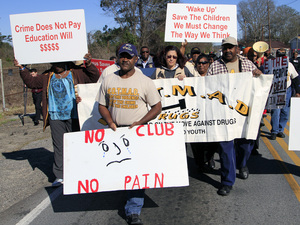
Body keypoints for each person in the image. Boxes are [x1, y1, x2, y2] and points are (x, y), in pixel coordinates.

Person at [97, 43, 162, 225]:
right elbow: (102, 105)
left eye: (129, 56)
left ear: (135, 59)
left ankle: (133, 210)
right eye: (122, 56)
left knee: (136, 172)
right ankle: (128, 197)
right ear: (118, 58)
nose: (125, 59)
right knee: (119, 169)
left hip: (137, 133)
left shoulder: (144, 82)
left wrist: (140, 122)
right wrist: (110, 121)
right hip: (116, 132)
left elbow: (157, 107)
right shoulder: (108, 80)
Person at [14, 53, 100, 187]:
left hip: (75, 115)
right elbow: (32, 83)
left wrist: (88, 64)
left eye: (59, 63)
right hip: (55, 116)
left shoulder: (76, 72)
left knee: (76, 144)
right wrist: (22, 69)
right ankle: (60, 175)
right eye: (54, 63)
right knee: (59, 146)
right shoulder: (48, 75)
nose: (56, 66)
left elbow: (94, 76)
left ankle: (79, 171)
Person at [207, 36, 262, 196]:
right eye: (225, 48)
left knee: (246, 145)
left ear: (237, 48)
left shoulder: (247, 64)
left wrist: (258, 74)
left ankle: (242, 163)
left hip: (243, 114)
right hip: (223, 113)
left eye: (231, 47)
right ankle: (227, 181)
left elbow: (257, 84)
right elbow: (207, 87)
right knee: (226, 148)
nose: (228, 50)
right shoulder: (214, 66)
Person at [190, 54, 218, 170]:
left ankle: (210, 157)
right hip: (195, 114)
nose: (201, 65)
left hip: (211, 112)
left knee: (212, 140)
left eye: (204, 63)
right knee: (196, 141)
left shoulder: (215, 78)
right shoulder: (190, 77)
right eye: (199, 63)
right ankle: (200, 162)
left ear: (208, 64)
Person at [270, 49, 300, 140]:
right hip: (276, 89)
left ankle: (280, 130)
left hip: (287, 89)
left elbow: (295, 78)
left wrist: (298, 91)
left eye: (283, 56)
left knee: (285, 111)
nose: (281, 58)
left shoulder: (289, 65)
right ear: (276, 56)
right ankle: (274, 131)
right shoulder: (272, 64)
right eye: (279, 56)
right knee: (276, 111)